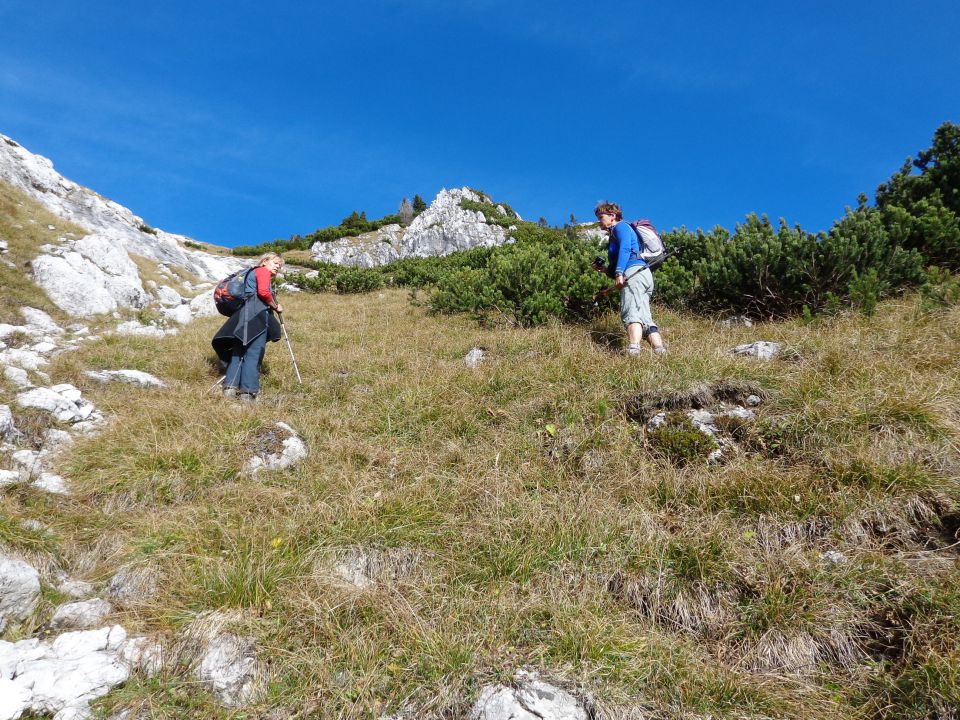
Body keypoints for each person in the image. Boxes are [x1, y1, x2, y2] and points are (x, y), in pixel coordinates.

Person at [593, 201, 666, 356]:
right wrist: (607, 270)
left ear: (612, 216)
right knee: (645, 316)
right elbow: (626, 254)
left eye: (601, 217)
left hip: (633, 273)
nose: (598, 220)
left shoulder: (620, 227)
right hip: (643, 274)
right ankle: (660, 351)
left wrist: (619, 272)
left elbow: (626, 248)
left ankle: (633, 349)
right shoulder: (618, 231)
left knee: (631, 311)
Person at [212, 253, 284, 401]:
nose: (278, 266)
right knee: (254, 351)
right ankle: (248, 393)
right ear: (264, 261)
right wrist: (276, 307)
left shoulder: (252, 272)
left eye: (280, 265)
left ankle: (230, 389)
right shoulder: (262, 271)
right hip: (257, 313)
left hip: (244, 315)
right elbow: (263, 293)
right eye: (275, 262)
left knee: (239, 351)